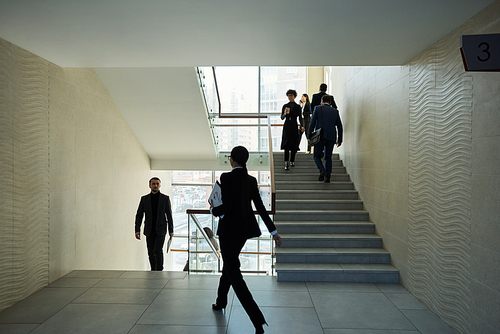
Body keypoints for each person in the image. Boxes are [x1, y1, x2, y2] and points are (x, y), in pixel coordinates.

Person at [210, 146, 282, 334]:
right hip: (243, 233)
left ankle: (257, 321)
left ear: (232, 160)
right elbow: (260, 207)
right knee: (229, 265)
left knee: (234, 273)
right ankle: (220, 301)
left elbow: (227, 206)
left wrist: (212, 209)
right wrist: (273, 231)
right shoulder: (251, 180)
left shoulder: (226, 177)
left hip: (228, 233)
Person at [135, 177, 174, 271]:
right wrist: (137, 230)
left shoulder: (165, 199)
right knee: (150, 252)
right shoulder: (144, 199)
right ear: (149, 186)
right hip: (149, 229)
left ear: (160, 185)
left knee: (158, 250)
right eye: (153, 184)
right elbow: (139, 215)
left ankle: (159, 270)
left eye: (157, 184)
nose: (155, 186)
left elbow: (169, 215)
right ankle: (153, 270)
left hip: (161, 229)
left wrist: (171, 230)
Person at [308, 95, 343, 183]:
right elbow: (339, 126)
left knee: (316, 155)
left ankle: (321, 169)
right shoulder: (335, 111)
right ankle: (327, 177)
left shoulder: (317, 108)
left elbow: (312, 123)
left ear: (322, 101)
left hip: (320, 136)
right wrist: (340, 139)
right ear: (330, 102)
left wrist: (309, 135)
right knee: (328, 157)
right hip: (331, 137)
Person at [281, 89, 305, 170]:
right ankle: (286, 162)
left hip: (294, 125)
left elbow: (300, 118)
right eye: (288, 95)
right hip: (287, 125)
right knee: (286, 144)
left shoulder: (298, 107)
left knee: (294, 143)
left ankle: (292, 160)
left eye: (291, 95)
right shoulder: (285, 106)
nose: (289, 97)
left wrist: (302, 125)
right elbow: (282, 118)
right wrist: (284, 114)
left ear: (294, 96)